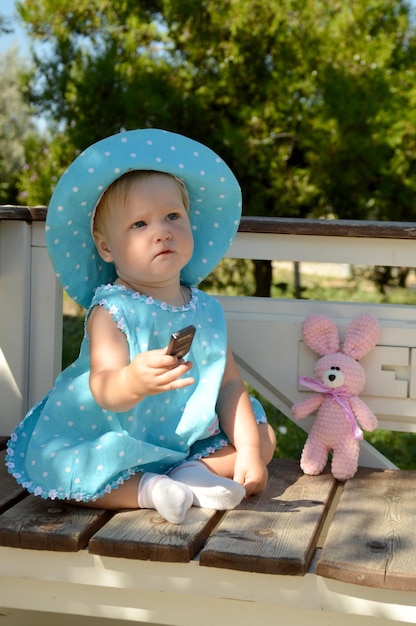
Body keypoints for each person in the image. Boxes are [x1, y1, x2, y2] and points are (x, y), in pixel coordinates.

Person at [6, 129, 276, 524]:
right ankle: (150, 490)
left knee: (264, 437)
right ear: (106, 248)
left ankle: (191, 474)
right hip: (115, 435)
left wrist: (250, 452)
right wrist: (132, 380)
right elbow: (104, 385)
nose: (161, 231)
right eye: (139, 224)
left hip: (185, 440)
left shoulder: (205, 309)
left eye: (172, 216)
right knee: (62, 470)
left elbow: (229, 384)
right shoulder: (113, 309)